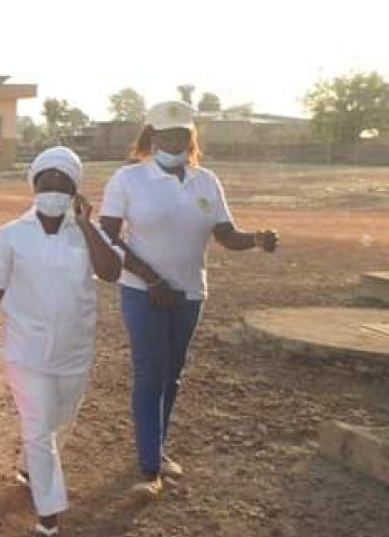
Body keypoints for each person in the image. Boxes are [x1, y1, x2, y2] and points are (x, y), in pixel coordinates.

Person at [99, 100, 278, 496]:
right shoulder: (128, 179)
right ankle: (149, 470)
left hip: (189, 293)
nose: (176, 141)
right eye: (167, 135)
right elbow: (107, 232)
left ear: (191, 137)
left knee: (172, 375)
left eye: (183, 134)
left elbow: (227, 236)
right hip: (142, 292)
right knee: (149, 374)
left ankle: (157, 449)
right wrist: (150, 278)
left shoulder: (206, 181)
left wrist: (257, 240)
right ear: (152, 137)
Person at [0, 147, 121, 537]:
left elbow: (111, 270)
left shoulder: (86, 232)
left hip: (74, 352)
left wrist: (87, 225)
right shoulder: (11, 234)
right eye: (45, 182)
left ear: (75, 190)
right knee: (38, 429)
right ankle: (48, 516)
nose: (53, 189)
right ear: (33, 186)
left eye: (62, 183)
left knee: (57, 425)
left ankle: (32, 470)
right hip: (27, 353)